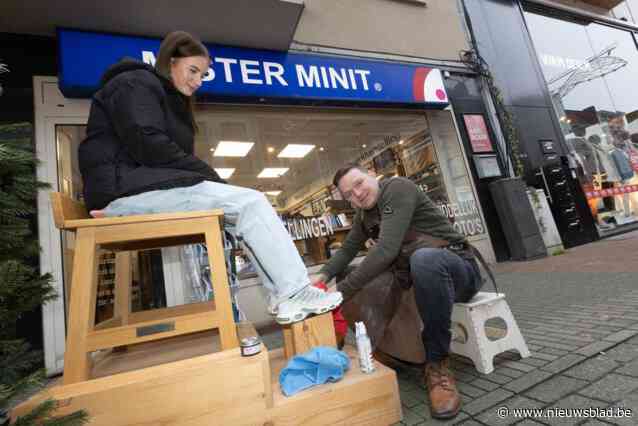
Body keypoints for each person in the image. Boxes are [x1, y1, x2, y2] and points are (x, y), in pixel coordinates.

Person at [78, 30, 342, 324]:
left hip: (135, 190)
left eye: (202, 75)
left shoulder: (166, 100)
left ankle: (284, 296)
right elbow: (147, 143)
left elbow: (169, 158)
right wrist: (210, 177)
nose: (197, 81)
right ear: (170, 61)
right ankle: (292, 293)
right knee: (250, 203)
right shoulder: (135, 82)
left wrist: (207, 178)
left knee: (240, 210)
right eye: (193, 70)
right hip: (123, 194)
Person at [311, 164, 483, 419]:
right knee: (349, 273)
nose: (357, 194)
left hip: (458, 270)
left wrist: (338, 294)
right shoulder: (363, 216)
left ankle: (437, 365)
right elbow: (347, 251)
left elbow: (386, 250)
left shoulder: (398, 188)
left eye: (359, 183)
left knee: (423, 260)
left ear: (371, 174)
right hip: (421, 279)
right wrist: (319, 280)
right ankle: (392, 349)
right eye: (348, 194)